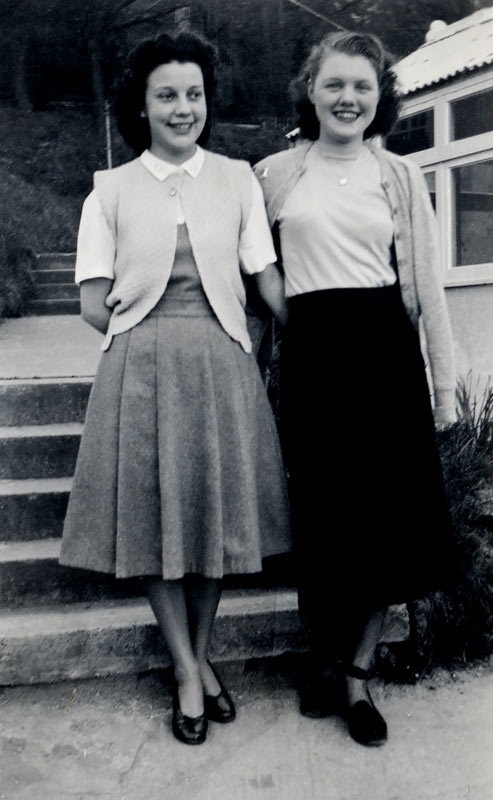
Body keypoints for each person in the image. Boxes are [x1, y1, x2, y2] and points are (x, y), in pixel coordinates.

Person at [60, 30, 291, 746]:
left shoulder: (238, 179)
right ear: (142, 105)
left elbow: (266, 280)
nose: (183, 107)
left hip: (223, 363)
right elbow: (92, 301)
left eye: (194, 94)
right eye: (167, 95)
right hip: (142, 369)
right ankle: (190, 669)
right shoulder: (110, 191)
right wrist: (141, 323)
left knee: (212, 521)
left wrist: (328, 325)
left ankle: (200, 654)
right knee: (156, 524)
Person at [254, 31, 456, 747]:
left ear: (380, 97)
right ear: (310, 89)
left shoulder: (398, 175)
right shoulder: (275, 172)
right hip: (312, 357)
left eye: (363, 87)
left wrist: (447, 385)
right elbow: (257, 275)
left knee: (386, 521)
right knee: (323, 519)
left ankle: (359, 676)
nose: (348, 98)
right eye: (335, 84)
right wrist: (283, 334)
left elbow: (426, 283)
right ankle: (324, 659)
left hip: (385, 356)